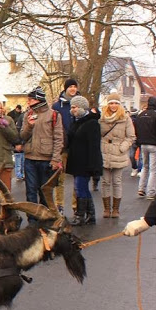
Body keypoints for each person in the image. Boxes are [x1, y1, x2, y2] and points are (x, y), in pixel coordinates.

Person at [21, 86, 64, 209]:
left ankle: (46, 219)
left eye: (30, 100)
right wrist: (29, 126)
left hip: (46, 159)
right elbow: (23, 136)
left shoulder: (54, 115)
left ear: (38, 99)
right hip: (30, 158)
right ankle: (33, 221)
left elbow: (58, 138)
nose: (28, 102)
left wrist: (56, 159)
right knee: (30, 191)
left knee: (45, 192)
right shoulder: (28, 115)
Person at [65, 96, 102, 225]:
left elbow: (94, 146)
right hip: (77, 161)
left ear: (81, 107)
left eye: (74, 107)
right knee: (81, 188)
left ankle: (80, 215)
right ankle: (90, 215)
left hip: (86, 162)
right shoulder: (76, 121)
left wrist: (93, 166)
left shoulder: (92, 123)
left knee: (80, 187)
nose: (72, 110)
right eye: (71, 107)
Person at [99, 92, 136, 218]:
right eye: (111, 103)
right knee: (105, 181)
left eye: (115, 103)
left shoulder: (125, 118)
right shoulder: (102, 118)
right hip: (104, 151)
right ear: (107, 104)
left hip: (119, 152)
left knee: (117, 181)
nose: (113, 105)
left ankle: (116, 209)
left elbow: (131, 137)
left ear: (119, 104)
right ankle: (106, 209)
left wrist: (122, 148)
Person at [52, 78, 79, 213]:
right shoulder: (57, 106)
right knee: (60, 179)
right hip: (62, 147)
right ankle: (59, 205)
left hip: (77, 147)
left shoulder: (81, 103)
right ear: (65, 89)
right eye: (70, 87)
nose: (73, 89)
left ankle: (76, 205)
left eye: (75, 86)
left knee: (77, 179)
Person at [134, 96, 156, 200]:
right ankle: (151, 192)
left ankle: (141, 188)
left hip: (143, 144)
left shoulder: (140, 115)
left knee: (145, 167)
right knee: (154, 169)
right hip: (154, 145)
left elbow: (137, 130)